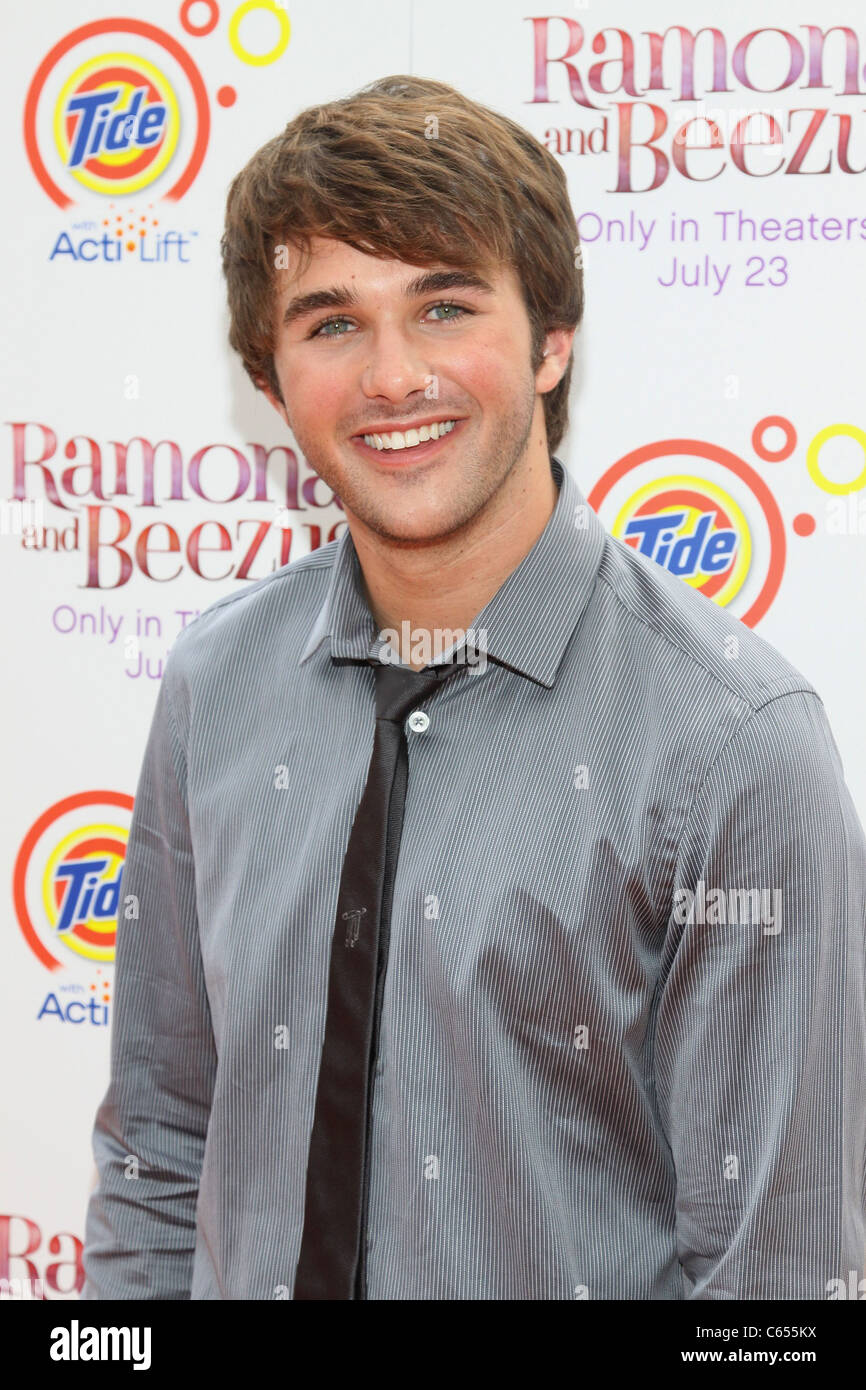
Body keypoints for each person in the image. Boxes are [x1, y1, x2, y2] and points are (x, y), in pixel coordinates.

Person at [81, 74, 866, 1300]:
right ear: (271, 377)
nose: (392, 378)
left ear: (552, 341)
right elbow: (159, 1149)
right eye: (331, 323)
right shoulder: (214, 682)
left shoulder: (732, 744)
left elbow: (774, 1283)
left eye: (443, 307)